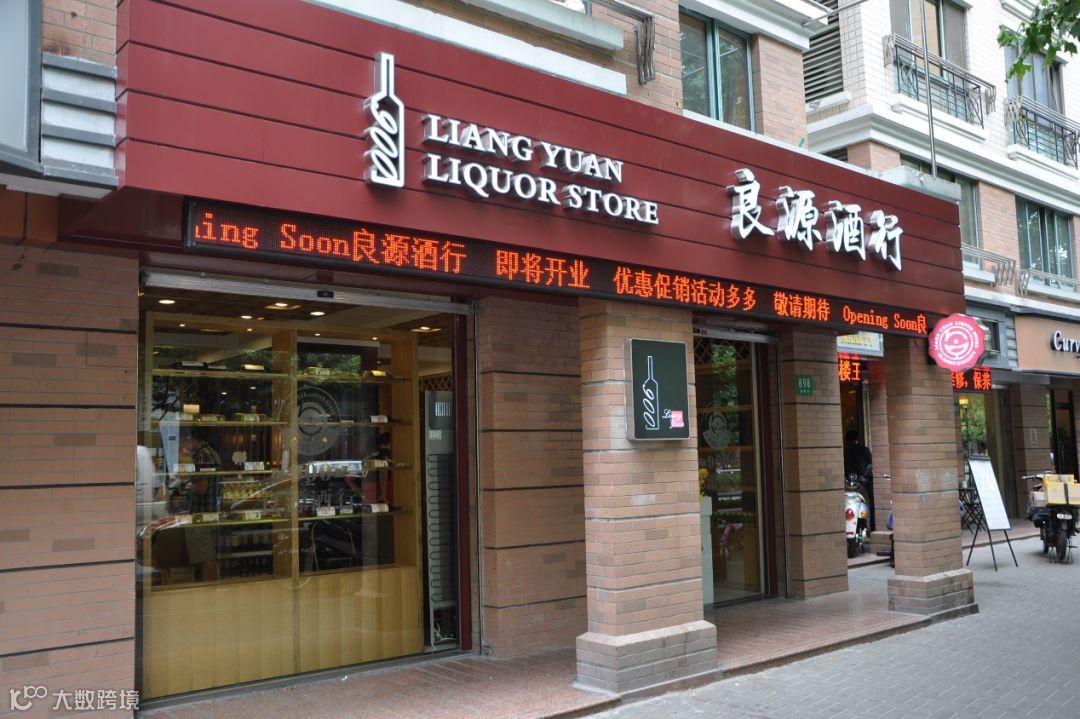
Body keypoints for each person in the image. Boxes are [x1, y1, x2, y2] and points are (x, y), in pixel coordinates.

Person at [179, 430, 223, 580]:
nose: (184, 447)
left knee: (206, 559)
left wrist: (185, 485)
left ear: (189, 439)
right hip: (212, 513)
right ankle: (211, 588)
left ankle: (209, 590)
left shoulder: (202, 455)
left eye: (183, 443)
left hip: (202, 515)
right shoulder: (212, 453)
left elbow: (201, 487)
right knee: (209, 556)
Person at [843, 429, 875, 532]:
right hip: (864, 482)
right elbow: (870, 465)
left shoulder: (844, 451)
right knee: (868, 503)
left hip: (848, 484)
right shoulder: (864, 449)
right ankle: (869, 525)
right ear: (857, 439)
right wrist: (864, 476)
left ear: (846, 440)